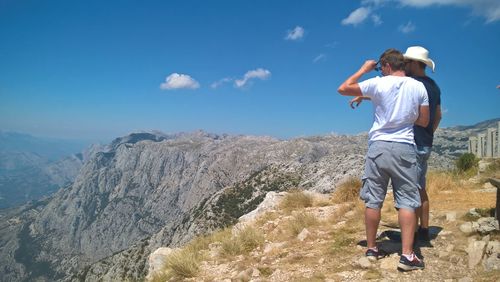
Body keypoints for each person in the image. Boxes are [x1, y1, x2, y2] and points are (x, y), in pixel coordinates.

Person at [338, 48, 429, 271]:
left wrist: (364, 69)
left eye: (380, 67)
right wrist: (404, 117)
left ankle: (371, 248)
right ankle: (407, 256)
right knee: (407, 200)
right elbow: (424, 121)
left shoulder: (377, 83)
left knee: (374, 199)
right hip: (404, 147)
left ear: (387, 65)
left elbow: (343, 89)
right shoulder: (419, 86)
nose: (380, 70)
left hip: (378, 147)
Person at [403, 46, 442, 241]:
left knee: (413, 189)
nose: (404, 65)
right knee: (420, 186)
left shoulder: (413, 84)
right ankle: (424, 228)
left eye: (406, 62)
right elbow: (439, 115)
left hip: (414, 142)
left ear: (413, 63)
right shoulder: (434, 85)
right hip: (425, 141)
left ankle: (416, 234)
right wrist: (428, 133)